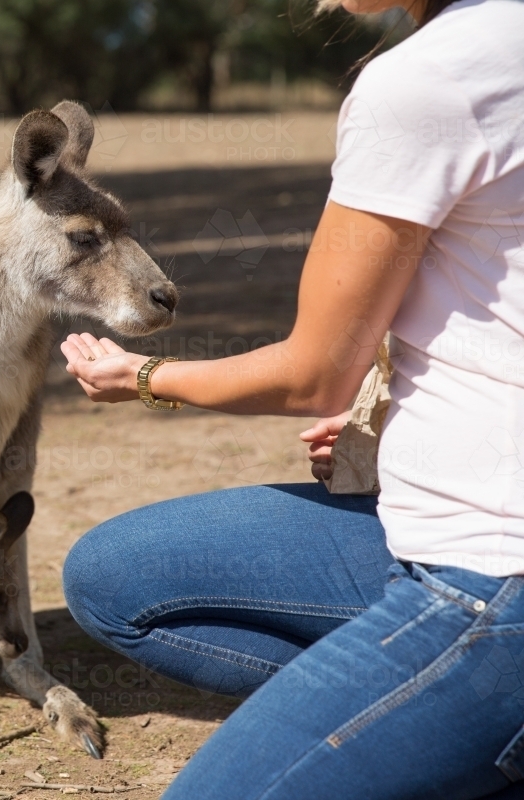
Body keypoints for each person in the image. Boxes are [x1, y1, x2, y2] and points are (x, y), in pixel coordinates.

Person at [59, 0, 524, 797]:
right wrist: (394, 412)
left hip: (491, 567)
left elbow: (312, 374)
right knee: (114, 579)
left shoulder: (423, 82)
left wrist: (143, 377)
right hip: (435, 514)